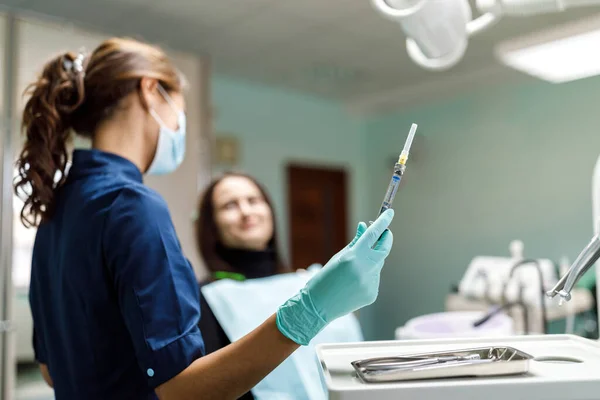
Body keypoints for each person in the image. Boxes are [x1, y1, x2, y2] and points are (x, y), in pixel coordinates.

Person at [15, 37, 395, 400]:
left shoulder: (58, 207)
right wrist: (312, 310)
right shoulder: (130, 205)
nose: (180, 124)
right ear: (151, 91)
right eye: (179, 110)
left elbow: (51, 370)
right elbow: (184, 392)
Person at [195, 173, 289, 358]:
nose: (246, 212)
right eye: (230, 205)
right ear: (212, 223)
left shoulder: (305, 282)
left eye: (253, 200)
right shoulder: (203, 298)